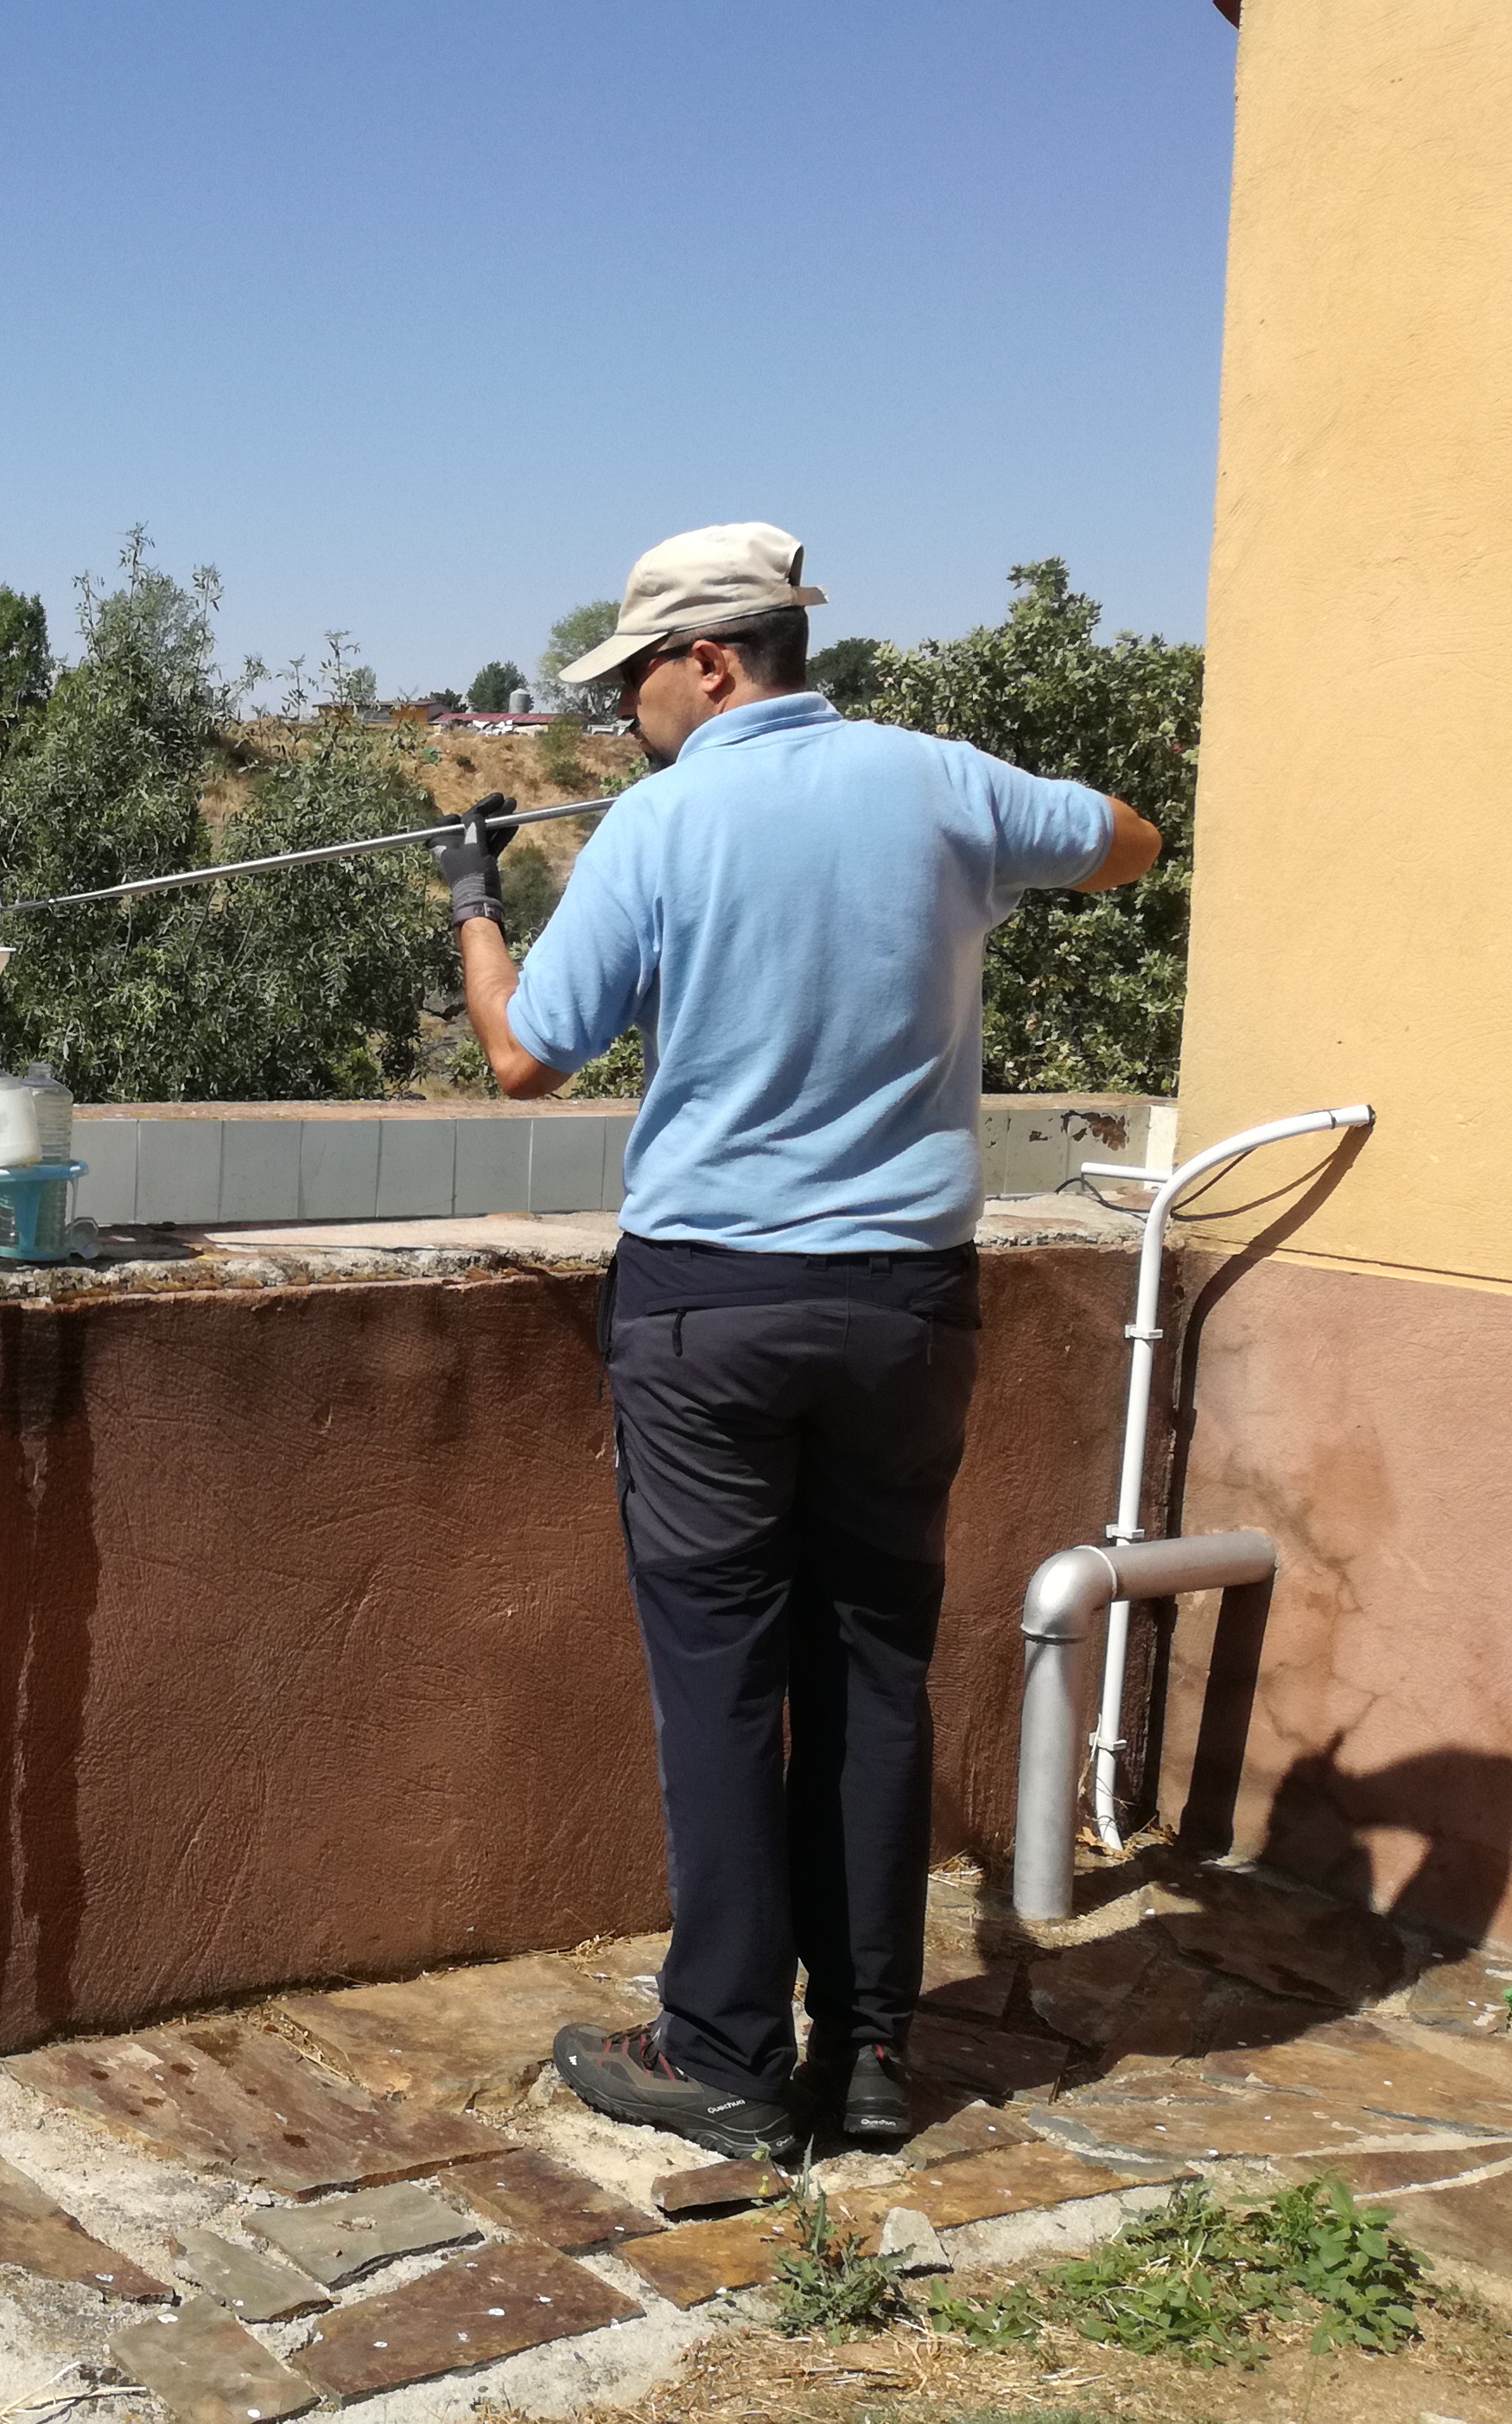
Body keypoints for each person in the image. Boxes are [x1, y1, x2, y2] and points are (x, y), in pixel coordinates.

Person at [435, 521, 1160, 2161]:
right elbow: (1131, 843)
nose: (623, 711)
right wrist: (968, 862)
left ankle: (725, 2053)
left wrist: (477, 907)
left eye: (632, 679)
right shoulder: (941, 782)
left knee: (722, 1680)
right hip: (906, 1304)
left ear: (710, 662)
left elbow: (525, 1056)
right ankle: (876, 2046)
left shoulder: (658, 822)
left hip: (715, 1306)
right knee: (873, 1663)